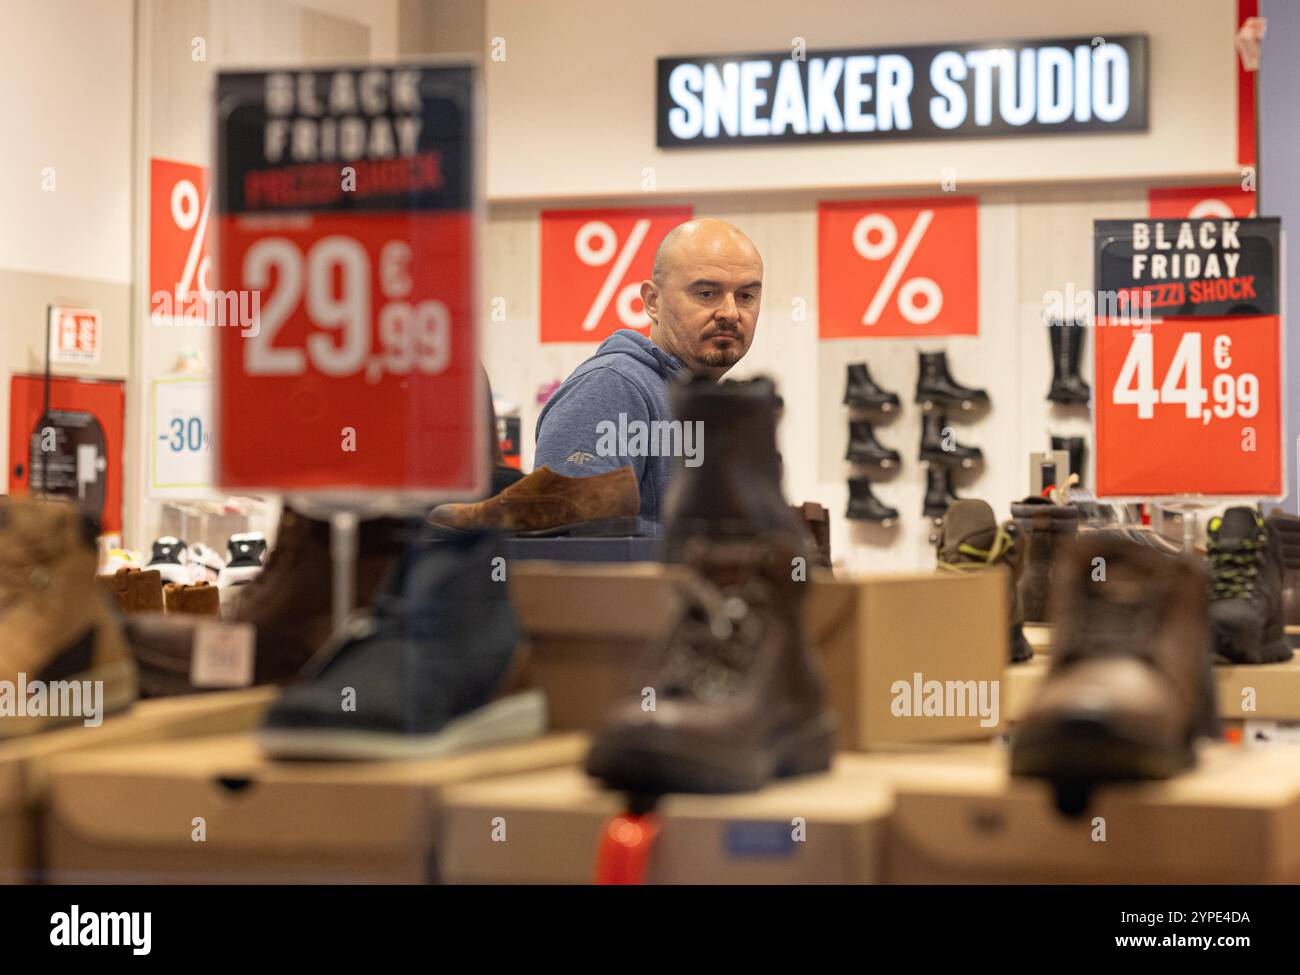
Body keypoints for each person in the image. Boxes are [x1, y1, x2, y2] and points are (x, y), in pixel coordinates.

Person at [533, 218, 763, 531]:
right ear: (653, 302)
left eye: (746, 296)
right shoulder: (612, 387)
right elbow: (571, 531)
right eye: (707, 293)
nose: (730, 312)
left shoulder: (702, 404)